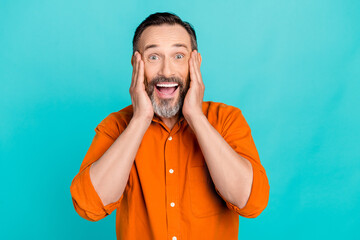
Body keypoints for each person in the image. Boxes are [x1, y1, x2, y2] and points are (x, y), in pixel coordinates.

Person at [70, 12, 270, 240]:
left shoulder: (226, 120)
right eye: (154, 57)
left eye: (178, 56)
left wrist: (195, 116)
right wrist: (140, 120)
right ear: (137, 64)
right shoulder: (116, 126)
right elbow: (89, 206)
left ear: (195, 62)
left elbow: (251, 203)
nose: (166, 71)